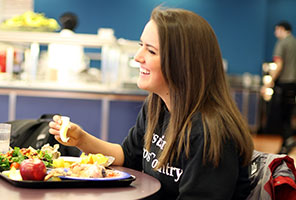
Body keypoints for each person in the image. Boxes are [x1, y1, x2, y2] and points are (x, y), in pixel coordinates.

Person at [49, 7, 254, 199]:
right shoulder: (157, 105)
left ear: (182, 63)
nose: (138, 57)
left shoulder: (211, 133)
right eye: (141, 46)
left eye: (151, 51)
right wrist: (81, 139)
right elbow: (128, 157)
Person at [261, 21, 296, 154]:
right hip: (294, 84)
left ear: (282, 29)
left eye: (276, 30)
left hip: (284, 84)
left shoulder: (282, 44)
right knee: (289, 115)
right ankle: (288, 140)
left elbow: (279, 65)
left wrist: (268, 83)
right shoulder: (294, 42)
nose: (275, 33)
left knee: (281, 115)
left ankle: (287, 141)